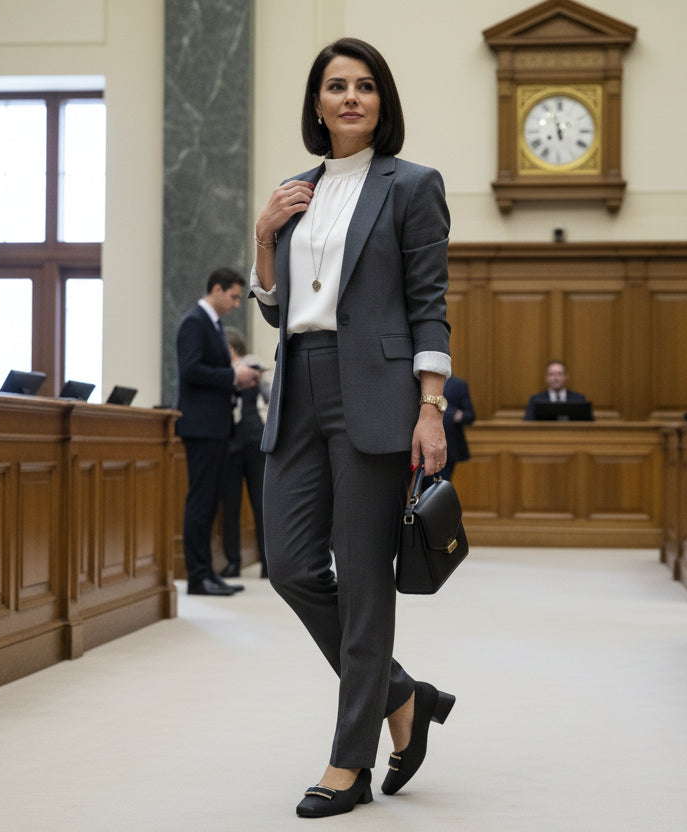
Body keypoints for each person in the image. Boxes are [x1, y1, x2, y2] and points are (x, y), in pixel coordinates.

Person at [251, 37, 456, 819]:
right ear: (316, 103)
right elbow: (276, 306)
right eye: (336, 86)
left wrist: (430, 404)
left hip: (374, 390)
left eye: (365, 86)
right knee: (292, 565)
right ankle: (403, 697)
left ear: (382, 102)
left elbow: (428, 299)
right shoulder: (294, 190)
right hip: (297, 384)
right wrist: (265, 236)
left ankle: (349, 763)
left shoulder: (412, 185)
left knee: (365, 579)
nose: (350, 98)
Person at [175, 268, 260, 597]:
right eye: (235, 296)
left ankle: (207, 572)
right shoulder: (194, 322)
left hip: (215, 425)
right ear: (217, 289)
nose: (237, 303)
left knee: (209, 503)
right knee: (200, 503)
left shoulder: (211, 323)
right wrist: (232, 376)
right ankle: (197, 576)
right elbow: (191, 370)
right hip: (201, 426)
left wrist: (237, 377)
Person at [218, 326, 269, 579]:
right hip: (231, 441)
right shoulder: (222, 374)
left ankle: (265, 562)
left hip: (251, 439)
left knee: (259, 503)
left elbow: (268, 395)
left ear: (230, 348)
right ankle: (235, 562)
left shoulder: (252, 365)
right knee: (231, 504)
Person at [437, 374, 474, 481]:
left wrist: (457, 415)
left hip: (449, 447)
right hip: (423, 445)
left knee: (440, 485)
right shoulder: (421, 382)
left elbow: (470, 415)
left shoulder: (458, 384)